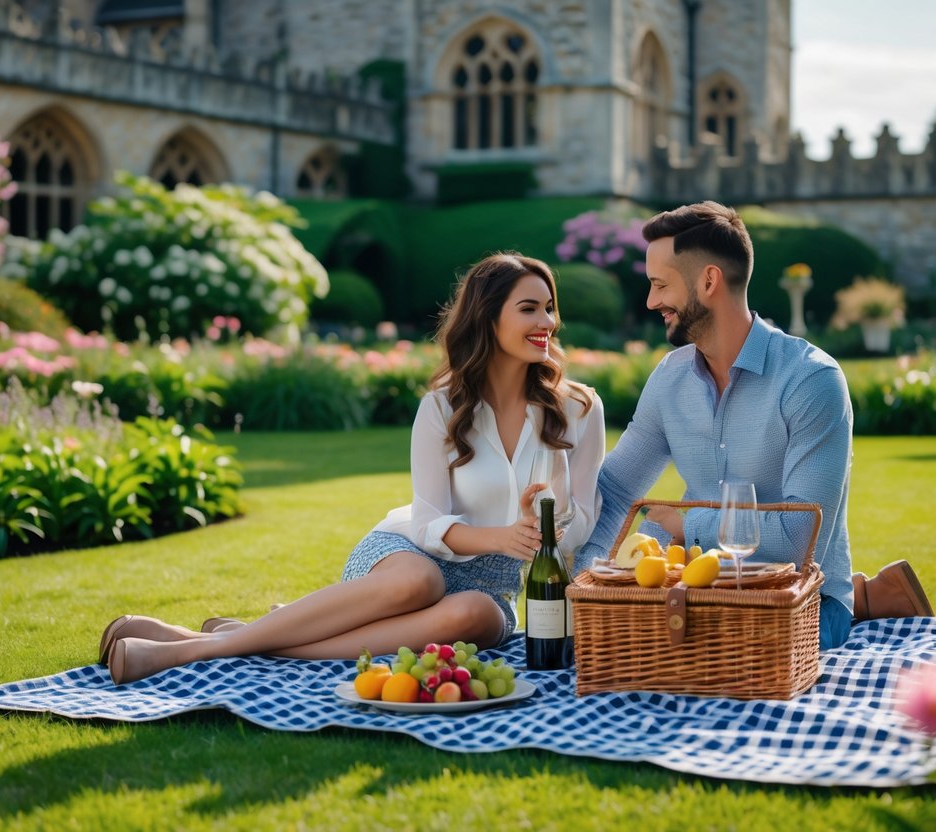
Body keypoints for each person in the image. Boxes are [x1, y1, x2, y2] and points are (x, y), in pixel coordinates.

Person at [101, 252, 606, 684]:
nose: (547, 323)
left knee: (474, 610)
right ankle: (190, 652)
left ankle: (233, 638)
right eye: (529, 309)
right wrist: (500, 535)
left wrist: (545, 521)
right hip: (407, 556)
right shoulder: (441, 408)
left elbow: (582, 520)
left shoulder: (579, 409)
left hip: (493, 585)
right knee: (421, 581)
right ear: (487, 318)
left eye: (549, 309)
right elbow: (428, 523)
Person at [574, 201, 930, 651]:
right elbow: (617, 490)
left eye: (660, 285)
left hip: (799, 605)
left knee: (714, 663)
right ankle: (872, 593)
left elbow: (799, 541)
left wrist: (686, 525)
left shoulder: (810, 380)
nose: (651, 301)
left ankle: (857, 596)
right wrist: (585, 581)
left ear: (708, 282)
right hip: (692, 596)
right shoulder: (669, 379)